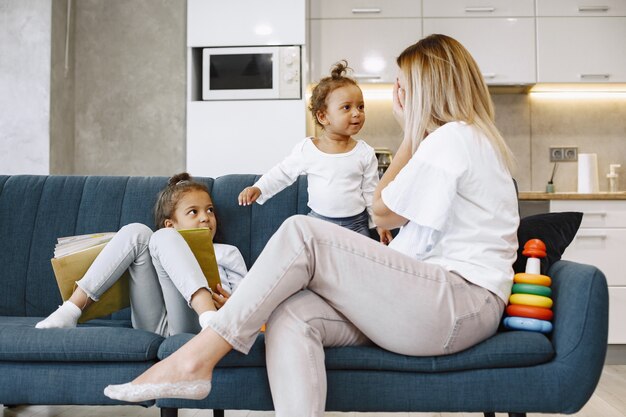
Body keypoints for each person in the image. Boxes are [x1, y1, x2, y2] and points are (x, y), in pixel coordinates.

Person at [103, 34, 520, 416]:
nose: (396, 96)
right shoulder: (459, 142)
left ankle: (196, 358)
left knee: (302, 231)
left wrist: (411, 133)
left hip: (458, 305)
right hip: (434, 306)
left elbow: (381, 211)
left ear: (421, 92)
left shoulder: (453, 138)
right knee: (292, 314)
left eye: (401, 86)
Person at [36, 173, 247, 336]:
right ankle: (70, 310)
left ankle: (208, 316)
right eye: (194, 211)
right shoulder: (162, 239)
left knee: (162, 237)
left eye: (210, 210)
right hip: (153, 324)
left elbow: (253, 303)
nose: (206, 218)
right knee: (139, 232)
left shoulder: (228, 253)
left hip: (194, 326)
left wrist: (233, 306)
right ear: (171, 223)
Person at [238, 61, 393, 244]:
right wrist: (260, 187)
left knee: (357, 268)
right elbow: (283, 172)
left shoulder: (365, 152)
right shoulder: (308, 149)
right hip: (319, 222)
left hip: (356, 225)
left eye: (360, 107)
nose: (357, 113)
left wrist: (380, 223)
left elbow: (370, 192)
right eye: (347, 107)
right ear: (323, 116)